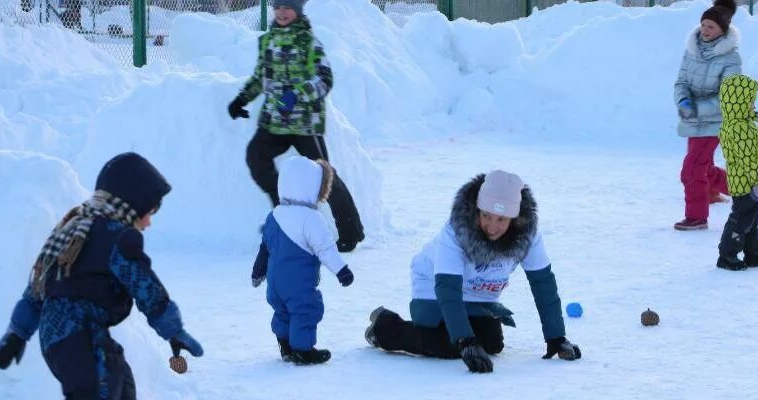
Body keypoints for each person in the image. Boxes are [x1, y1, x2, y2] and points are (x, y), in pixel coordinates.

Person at [0, 152, 205, 400]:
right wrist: (173, 330)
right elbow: (146, 286)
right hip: (77, 335)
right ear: (131, 204)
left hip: (68, 334)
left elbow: (39, 287)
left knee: (120, 395)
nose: (149, 222)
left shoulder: (76, 227)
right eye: (149, 212)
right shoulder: (119, 237)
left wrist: (17, 334)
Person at [364, 170, 581, 374]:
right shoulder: (455, 232)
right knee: (448, 345)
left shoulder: (528, 236)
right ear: (477, 209)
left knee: (491, 344)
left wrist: (556, 337)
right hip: (432, 285)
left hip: (478, 292)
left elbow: (543, 283)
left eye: (501, 219)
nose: (491, 226)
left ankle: (460, 333)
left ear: (514, 219)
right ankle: (384, 327)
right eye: (486, 215)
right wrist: (464, 341)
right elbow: (447, 288)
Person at [228, 0, 365, 253]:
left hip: (304, 124)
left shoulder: (309, 42)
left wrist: (296, 95)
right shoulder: (268, 40)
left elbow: (325, 79)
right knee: (256, 157)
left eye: (287, 7)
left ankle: (351, 231)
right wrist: (241, 98)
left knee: (323, 175)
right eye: (277, 7)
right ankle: (285, 214)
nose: (281, 12)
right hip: (274, 121)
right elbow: (261, 77)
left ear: (298, 10)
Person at [251, 156, 354, 365]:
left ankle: (286, 346)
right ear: (312, 186)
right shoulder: (311, 219)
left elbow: (264, 248)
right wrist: (341, 270)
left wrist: (257, 272)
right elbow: (325, 249)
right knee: (305, 310)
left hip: (274, 283)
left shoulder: (274, 214)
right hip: (298, 284)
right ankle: (303, 350)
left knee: (282, 311)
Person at [673, 0, 741, 231]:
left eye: (711, 26)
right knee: (703, 168)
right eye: (703, 24)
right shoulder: (692, 50)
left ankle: (697, 218)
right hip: (692, 120)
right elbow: (681, 81)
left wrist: (695, 108)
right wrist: (683, 100)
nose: (705, 29)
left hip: (716, 122)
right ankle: (742, 189)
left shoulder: (731, 58)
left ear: (723, 29)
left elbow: (728, 96)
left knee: (691, 170)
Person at [715, 74, 758, 270]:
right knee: (740, 219)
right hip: (747, 184)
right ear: (739, 103)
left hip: (749, 182)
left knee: (752, 218)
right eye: (750, 101)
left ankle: (753, 253)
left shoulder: (742, 124)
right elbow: (748, 160)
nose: (753, 105)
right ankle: (727, 255)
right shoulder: (739, 129)